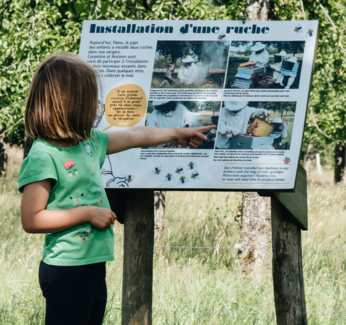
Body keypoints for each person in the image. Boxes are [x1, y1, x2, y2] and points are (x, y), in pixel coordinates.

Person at [19, 54, 214, 325]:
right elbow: (32, 219)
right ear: (69, 104)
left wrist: (175, 134)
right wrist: (88, 213)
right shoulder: (44, 155)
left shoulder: (89, 143)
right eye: (89, 99)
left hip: (92, 267)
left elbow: (136, 135)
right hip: (65, 270)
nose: (95, 106)